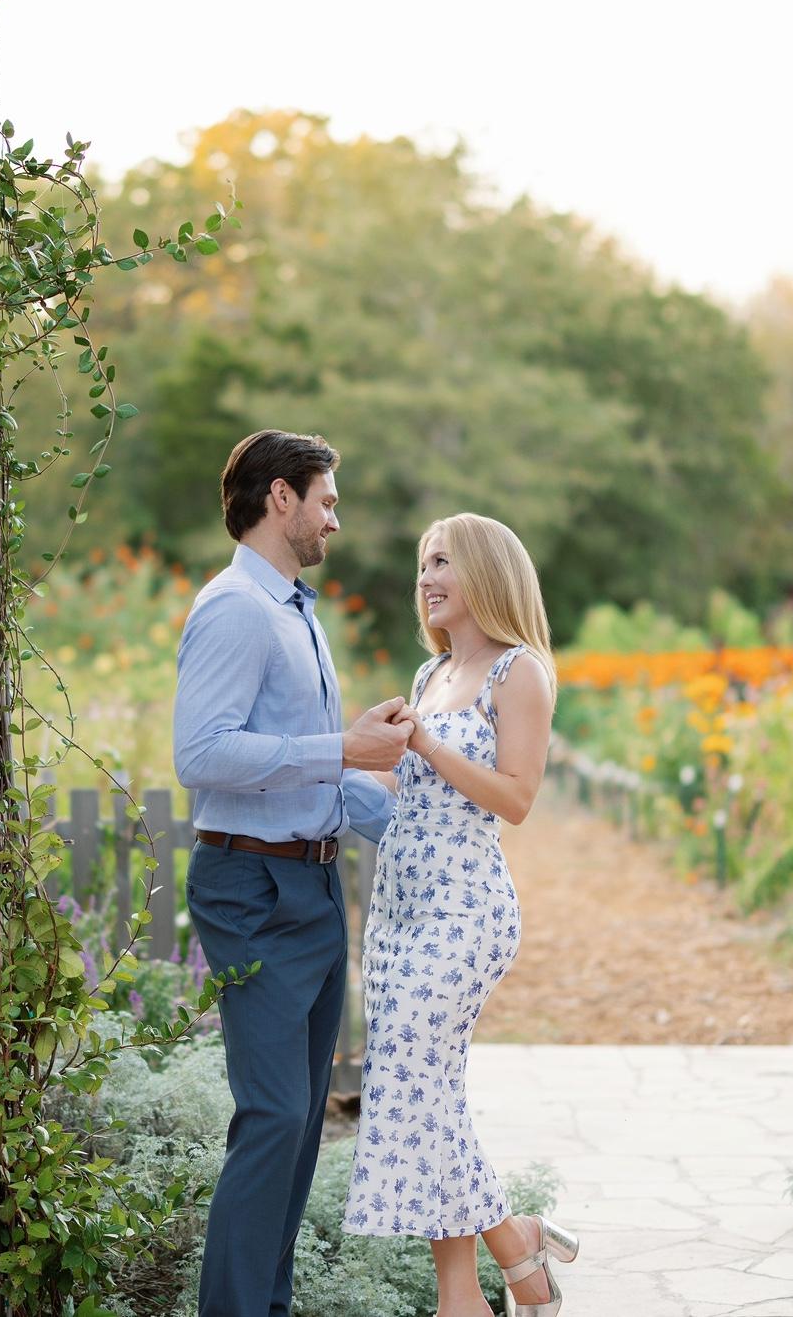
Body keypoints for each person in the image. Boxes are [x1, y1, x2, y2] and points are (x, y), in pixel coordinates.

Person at [173, 429, 413, 1317]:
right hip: (253, 888)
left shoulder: (295, 612)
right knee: (273, 1116)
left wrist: (422, 824)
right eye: (327, 501)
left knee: (304, 1123)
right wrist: (344, 746)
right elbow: (201, 755)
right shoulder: (236, 608)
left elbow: (313, 773)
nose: (335, 520)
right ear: (282, 498)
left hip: (312, 883)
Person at [342, 512, 579, 1317]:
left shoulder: (520, 672)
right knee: (423, 1092)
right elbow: (401, 793)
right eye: (423, 564)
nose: (426, 577)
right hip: (398, 909)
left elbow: (516, 797)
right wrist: (334, 763)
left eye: (442, 561)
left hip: (465, 910)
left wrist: (427, 748)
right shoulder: (428, 674)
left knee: (416, 1083)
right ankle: (477, 1284)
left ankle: (502, 1259)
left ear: (485, 572)